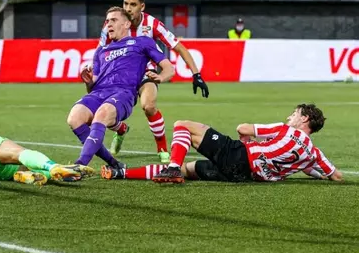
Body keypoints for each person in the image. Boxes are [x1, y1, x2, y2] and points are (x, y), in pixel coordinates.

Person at [97, 0, 209, 163]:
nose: (128, 8)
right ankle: (121, 129)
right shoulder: (111, 24)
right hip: (119, 76)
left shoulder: (153, 25)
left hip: (145, 73)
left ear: (142, 6)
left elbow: (178, 47)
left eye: (133, 4)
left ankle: (162, 147)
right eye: (125, 3)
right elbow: (101, 52)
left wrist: (196, 74)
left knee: (148, 106)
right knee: (104, 112)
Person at [101, 104, 342, 184]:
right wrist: (321, 176)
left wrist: (248, 139)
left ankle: (172, 166)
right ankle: (121, 173)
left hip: (239, 156)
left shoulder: (286, 130)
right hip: (244, 177)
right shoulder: (313, 154)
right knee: (192, 169)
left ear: (304, 118)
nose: (290, 116)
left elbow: (242, 128)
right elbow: (335, 176)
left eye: (294, 113)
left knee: (183, 125)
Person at [67, 7, 174, 168]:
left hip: (123, 93)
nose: (109, 24)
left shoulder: (142, 42)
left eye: (114, 20)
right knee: (74, 118)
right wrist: (88, 81)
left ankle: (80, 165)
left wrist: (160, 77)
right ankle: (114, 163)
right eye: (107, 21)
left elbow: (169, 68)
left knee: (102, 114)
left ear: (126, 24)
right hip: (99, 92)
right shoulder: (101, 51)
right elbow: (91, 88)